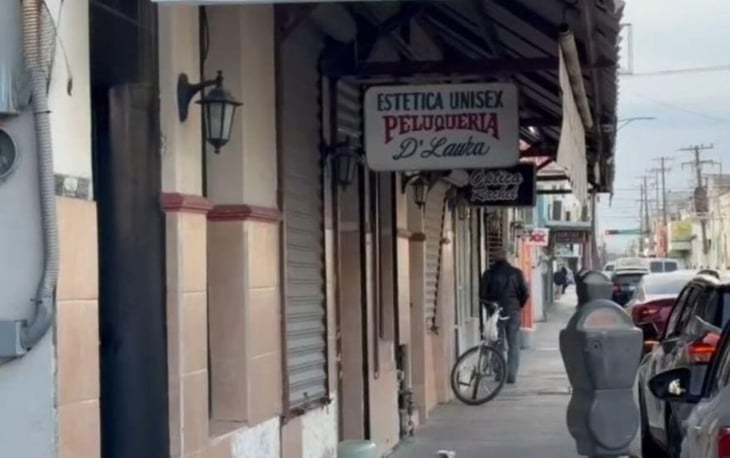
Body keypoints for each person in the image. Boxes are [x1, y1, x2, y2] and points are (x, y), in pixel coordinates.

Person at [479, 248, 529, 384]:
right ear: (506, 257)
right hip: (513, 311)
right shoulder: (516, 273)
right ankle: (511, 374)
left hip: (496, 311)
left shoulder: (488, 274)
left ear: (493, 259)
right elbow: (525, 292)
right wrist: (518, 305)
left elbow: (482, 295)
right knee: (514, 343)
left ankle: (500, 372)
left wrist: (490, 308)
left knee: (497, 342)